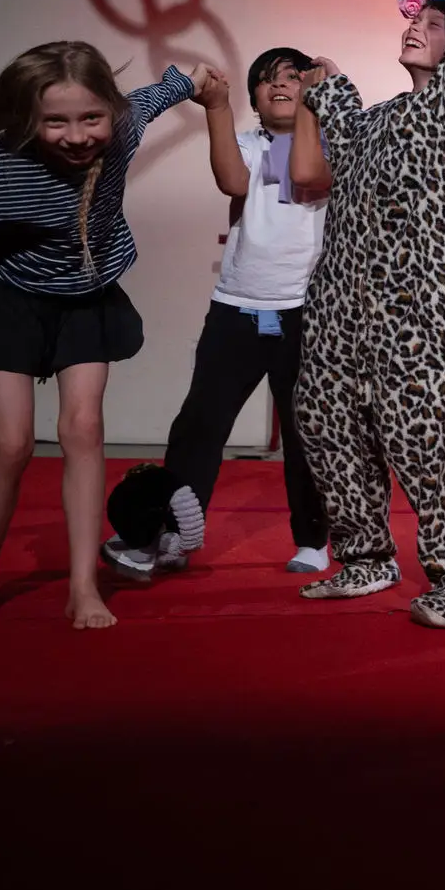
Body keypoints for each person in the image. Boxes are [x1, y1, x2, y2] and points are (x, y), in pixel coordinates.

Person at [289, 0, 445, 629]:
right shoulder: (380, 118)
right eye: (414, 18)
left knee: (432, 439)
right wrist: (328, 84)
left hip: (419, 313)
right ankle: (365, 557)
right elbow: (338, 137)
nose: (417, 27)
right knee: (322, 418)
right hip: (340, 309)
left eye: (434, 24)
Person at [0, 42, 208, 628]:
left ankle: (83, 586)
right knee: (10, 443)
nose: (77, 136)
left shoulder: (124, 128)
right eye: (56, 121)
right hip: (10, 295)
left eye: (90, 118)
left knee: (83, 427)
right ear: (28, 119)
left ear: (110, 109)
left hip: (86, 294)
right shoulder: (1, 166)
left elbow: (155, 96)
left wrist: (196, 80)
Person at [105, 48, 334, 582]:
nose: (278, 85)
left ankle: (313, 538)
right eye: (265, 80)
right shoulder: (250, 146)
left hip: (307, 309)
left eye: (292, 77)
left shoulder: (331, 145)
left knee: (307, 432)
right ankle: (169, 534)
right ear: (253, 96)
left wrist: (319, 105)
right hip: (236, 307)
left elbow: (307, 173)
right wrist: (216, 106)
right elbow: (232, 181)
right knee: (199, 426)